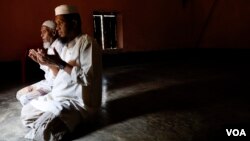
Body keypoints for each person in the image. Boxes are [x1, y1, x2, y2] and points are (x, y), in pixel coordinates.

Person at [20, 4, 102, 140]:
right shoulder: (64, 46)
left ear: (74, 23)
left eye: (60, 23)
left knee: (45, 132)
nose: (57, 27)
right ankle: (61, 121)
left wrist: (61, 63)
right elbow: (59, 76)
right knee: (26, 113)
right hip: (58, 96)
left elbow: (88, 78)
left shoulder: (87, 43)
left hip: (77, 103)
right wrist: (44, 63)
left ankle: (70, 120)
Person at [16, 20, 64, 106]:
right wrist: (37, 60)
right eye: (41, 32)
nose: (41, 35)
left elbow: (60, 75)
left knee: (24, 99)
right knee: (19, 94)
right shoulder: (51, 47)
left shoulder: (59, 47)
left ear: (53, 32)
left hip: (54, 86)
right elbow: (49, 69)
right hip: (47, 82)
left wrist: (46, 62)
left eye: (44, 32)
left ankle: (48, 104)